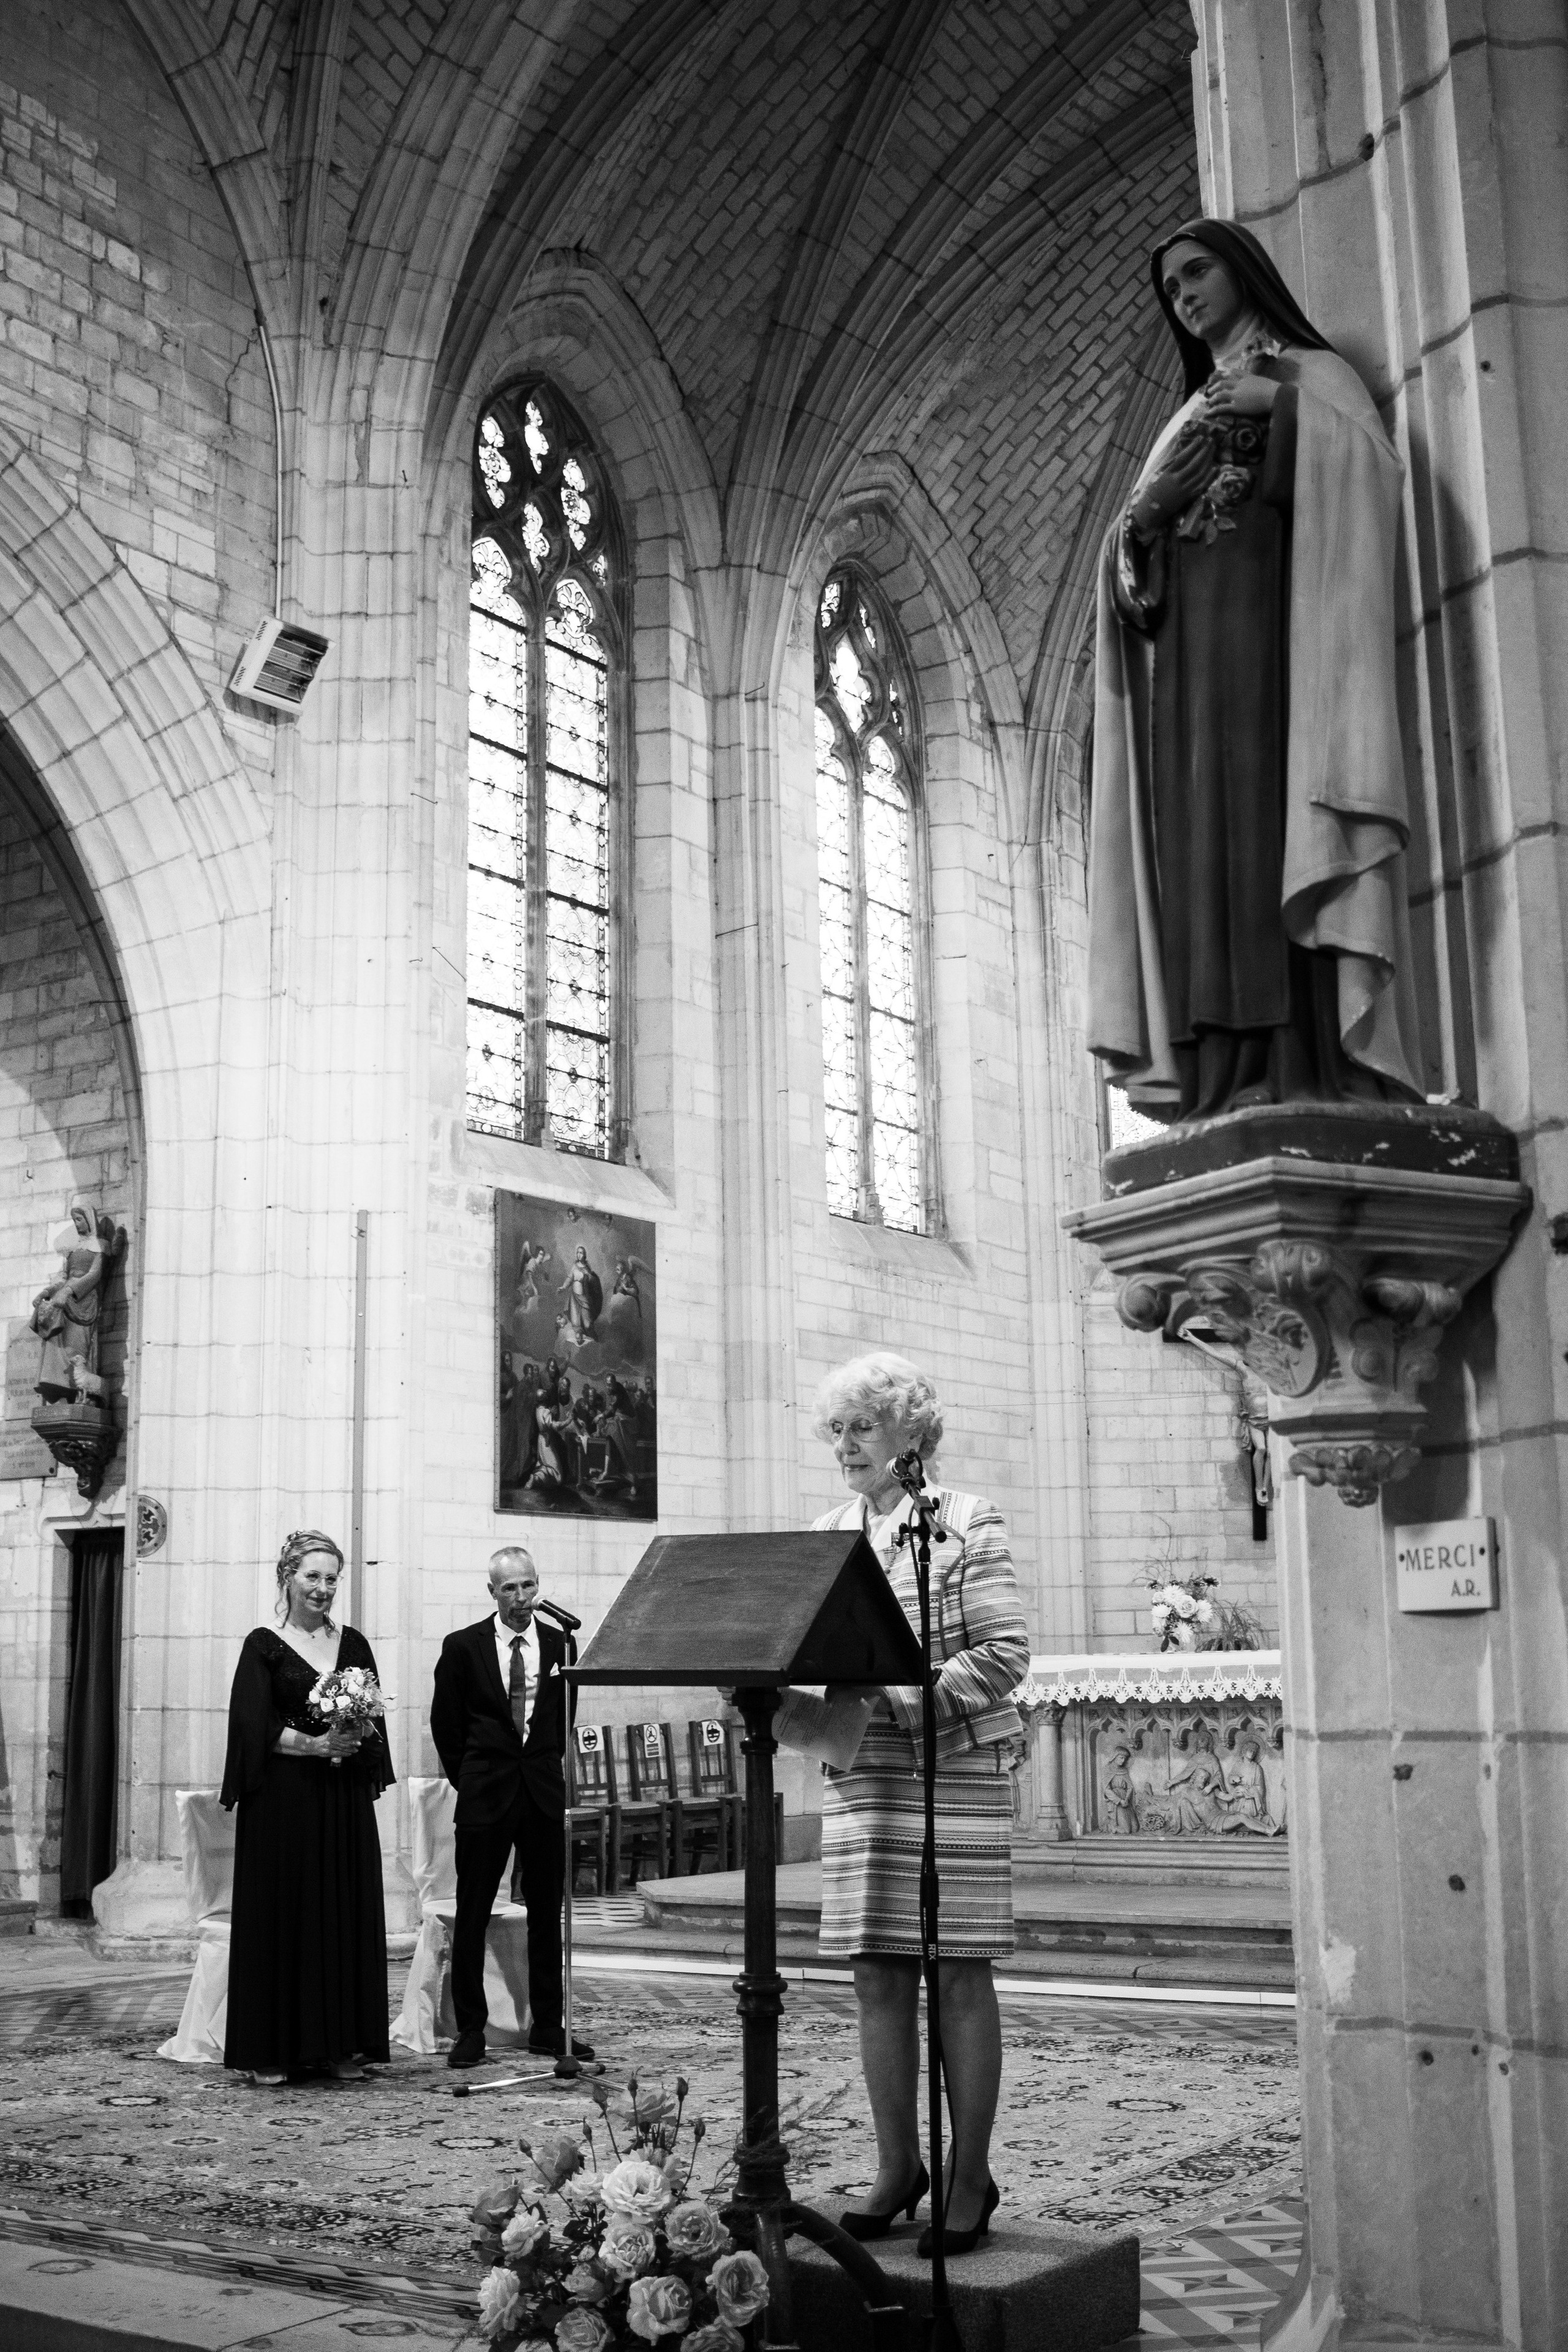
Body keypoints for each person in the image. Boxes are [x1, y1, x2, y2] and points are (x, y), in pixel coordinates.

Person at [1088, 217, 1422, 1123]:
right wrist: (1145, 518)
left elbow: (1370, 476)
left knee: (1276, 831)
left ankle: (1306, 1061)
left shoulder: (1314, 379)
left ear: (1245, 272)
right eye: (1171, 291)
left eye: (1198, 274)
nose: (1185, 296)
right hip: (1192, 672)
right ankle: (1222, 1073)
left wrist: (1282, 414)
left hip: (1283, 656)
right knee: (1202, 852)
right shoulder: (1180, 422)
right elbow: (1126, 586)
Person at [807, 1351, 1029, 2259]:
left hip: (955, 1774)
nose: (845, 1445)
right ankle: (900, 2166)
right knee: (877, 1971)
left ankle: (968, 2174)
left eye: (863, 1426)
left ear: (912, 1436)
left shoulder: (967, 1521)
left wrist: (903, 1696)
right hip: (865, 1776)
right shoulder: (827, 1530)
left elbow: (1005, 1651)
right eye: (838, 1429)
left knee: (958, 1967)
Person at [220, 1531, 393, 2084]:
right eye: (313, 1576)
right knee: (285, 1914)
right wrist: (313, 1745)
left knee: (342, 1909)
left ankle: (341, 2044)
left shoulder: (355, 1643)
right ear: (287, 1577)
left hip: (341, 1801)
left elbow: (374, 1713)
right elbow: (252, 1727)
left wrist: (354, 1732)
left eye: (331, 1579)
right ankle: (270, 2048)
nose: (323, 1588)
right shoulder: (263, 1644)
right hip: (283, 1802)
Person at [429, 1546, 593, 2067]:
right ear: (492, 1592)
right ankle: (470, 2030)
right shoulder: (463, 1648)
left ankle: (548, 2025)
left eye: (528, 1586)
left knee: (547, 1912)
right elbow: (446, 1726)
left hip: (541, 1794)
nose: (521, 1598)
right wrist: (474, 1779)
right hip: (486, 1795)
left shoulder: (559, 1644)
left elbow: (562, 1718)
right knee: (473, 1913)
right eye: (510, 1588)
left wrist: (543, 1770)